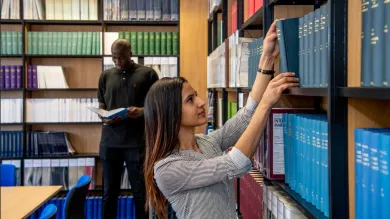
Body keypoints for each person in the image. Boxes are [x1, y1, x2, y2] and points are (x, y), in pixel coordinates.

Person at [143, 20, 299, 219]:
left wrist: (267, 59)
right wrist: (266, 103)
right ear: (170, 113)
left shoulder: (207, 142)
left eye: (197, 95)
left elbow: (247, 115)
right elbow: (235, 163)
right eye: (190, 100)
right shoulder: (167, 168)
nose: (201, 103)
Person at [97, 39, 159, 219]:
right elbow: (102, 106)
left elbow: (157, 106)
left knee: (140, 193)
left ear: (130, 53)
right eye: (114, 58)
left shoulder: (148, 74)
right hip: (109, 143)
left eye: (121, 57)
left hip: (137, 143)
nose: (118, 62)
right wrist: (105, 117)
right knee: (109, 193)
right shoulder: (105, 76)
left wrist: (141, 111)